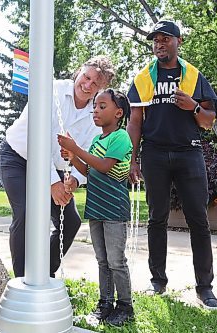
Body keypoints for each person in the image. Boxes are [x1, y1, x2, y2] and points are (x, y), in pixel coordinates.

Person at [126, 19, 217, 308]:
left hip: (188, 153)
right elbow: (135, 122)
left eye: (165, 38)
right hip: (154, 154)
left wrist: (192, 106)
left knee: (198, 220)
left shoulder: (193, 76)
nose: (159, 43)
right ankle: (158, 282)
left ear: (178, 42)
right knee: (157, 218)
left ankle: (205, 287)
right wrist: (132, 159)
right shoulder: (144, 78)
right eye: (155, 39)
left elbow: (208, 122)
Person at [0, 56, 115, 278]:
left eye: (95, 84)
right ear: (79, 71)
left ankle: (44, 275)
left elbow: (89, 153)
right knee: (26, 213)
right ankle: (23, 281)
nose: (87, 85)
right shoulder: (52, 90)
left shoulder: (96, 115)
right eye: (86, 77)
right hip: (18, 157)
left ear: (102, 88)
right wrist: (52, 182)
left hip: (56, 169)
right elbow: (39, 139)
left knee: (70, 222)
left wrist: (74, 180)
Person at [57, 89, 134, 326]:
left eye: (102, 106)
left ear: (118, 113)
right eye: (95, 107)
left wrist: (76, 148)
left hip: (114, 209)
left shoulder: (120, 137)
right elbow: (89, 171)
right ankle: (105, 303)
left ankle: (125, 306)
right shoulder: (97, 140)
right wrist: (72, 155)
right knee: (102, 260)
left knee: (116, 260)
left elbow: (103, 166)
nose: (96, 111)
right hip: (96, 208)